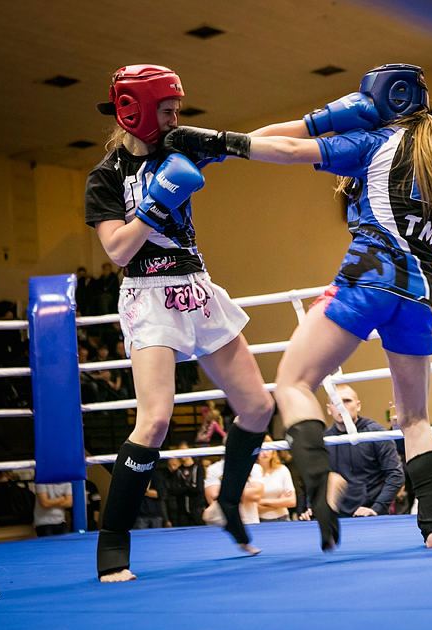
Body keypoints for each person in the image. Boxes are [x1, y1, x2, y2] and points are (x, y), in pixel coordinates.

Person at [166, 64, 432, 550]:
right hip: (417, 294)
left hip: (368, 279)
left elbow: (288, 150)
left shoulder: (373, 143)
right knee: (415, 418)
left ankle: (320, 481)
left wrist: (217, 142)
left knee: (292, 382)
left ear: (383, 99)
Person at [85, 64, 274, 581]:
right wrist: (155, 203)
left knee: (258, 407)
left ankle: (227, 503)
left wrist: (322, 129)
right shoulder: (105, 177)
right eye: (167, 110)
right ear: (136, 112)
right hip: (147, 293)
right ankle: (113, 543)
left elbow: (249, 143)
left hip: (195, 285)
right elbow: (117, 249)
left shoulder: (181, 143)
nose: (175, 118)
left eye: (176, 110)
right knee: (155, 420)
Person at [319, 385, 403, 518]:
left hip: (371, 515)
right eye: (336, 402)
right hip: (337, 516)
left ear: (358, 406)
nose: (341, 406)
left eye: (347, 401)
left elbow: (396, 474)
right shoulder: (325, 440)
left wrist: (376, 508)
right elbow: (317, 477)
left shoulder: (376, 433)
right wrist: (311, 507)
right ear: (329, 409)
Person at [204, 455, 264, 528]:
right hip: (222, 522)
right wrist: (246, 492)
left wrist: (223, 491)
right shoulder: (214, 469)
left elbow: (256, 495)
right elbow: (213, 497)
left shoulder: (254, 467)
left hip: (250, 522)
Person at [161, 444, 205, 527]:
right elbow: (174, 490)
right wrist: (191, 487)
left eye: (185, 450)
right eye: (180, 451)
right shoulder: (178, 471)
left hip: (197, 508)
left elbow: (199, 489)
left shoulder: (198, 468)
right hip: (182, 511)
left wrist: (182, 489)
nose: (183, 454)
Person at [257, 436, 296, 522]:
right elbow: (253, 507)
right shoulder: (252, 472)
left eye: (268, 449)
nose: (265, 453)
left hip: (283, 518)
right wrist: (280, 502)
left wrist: (263, 501)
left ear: (273, 451)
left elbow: (292, 501)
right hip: (259, 520)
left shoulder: (282, 470)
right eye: (261, 449)